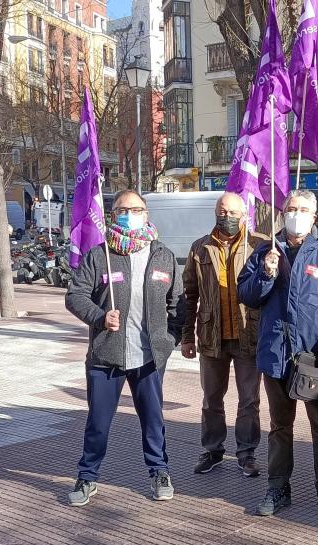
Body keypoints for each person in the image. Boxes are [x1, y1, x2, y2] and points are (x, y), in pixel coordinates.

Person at [239, 189, 318, 519]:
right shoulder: (266, 250)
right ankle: (278, 487)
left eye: (303, 210)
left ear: (314, 215)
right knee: (280, 426)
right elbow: (246, 294)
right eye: (291, 209)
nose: (296, 215)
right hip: (276, 353)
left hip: (315, 355)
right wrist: (265, 274)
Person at [65, 191, 185, 507]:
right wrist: (100, 317)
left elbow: (177, 303)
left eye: (136, 209)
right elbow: (75, 295)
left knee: (153, 420)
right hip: (107, 355)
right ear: (113, 214)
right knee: (98, 423)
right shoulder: (100, 255)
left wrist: (169, 339)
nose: (130, 214)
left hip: (149, 356)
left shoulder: (163, 256)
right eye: (123, 209)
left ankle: (159, 471)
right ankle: (87, 476)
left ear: (146, 214)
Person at [181, 193, 265, 478]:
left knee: (249, 400)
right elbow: (189, 296)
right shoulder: (200, 248)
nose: (226, 216)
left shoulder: (259, 245)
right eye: (221, 211)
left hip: (248, 335)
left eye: (232, 212)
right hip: (211, 336)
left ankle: (246, 453)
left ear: (244, 215)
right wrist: (187, 336)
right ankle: (212, 450)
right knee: (211, 399)